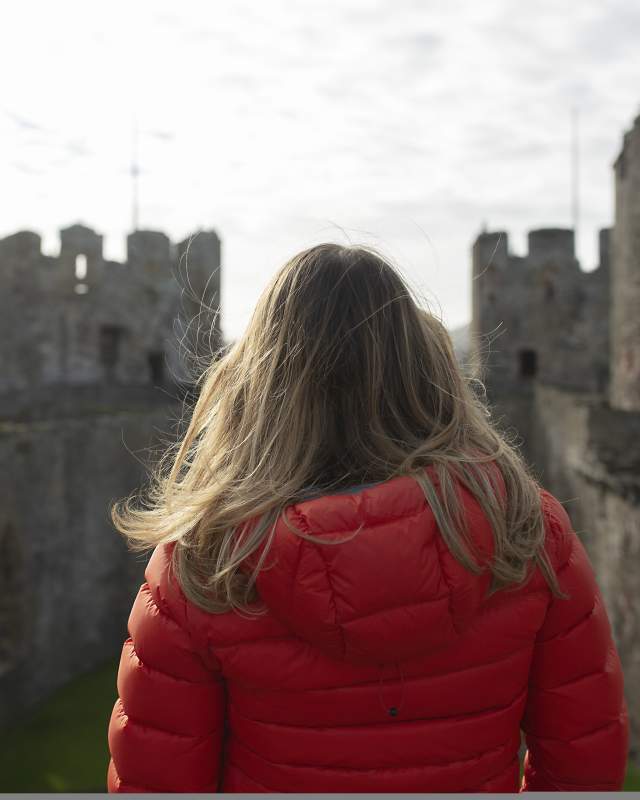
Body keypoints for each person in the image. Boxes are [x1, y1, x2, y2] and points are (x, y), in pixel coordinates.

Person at [106, 242, 629, 793]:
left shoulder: (204, 562)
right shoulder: (526, 531)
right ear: (424, 362)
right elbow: (584, 768)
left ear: (258, 378)